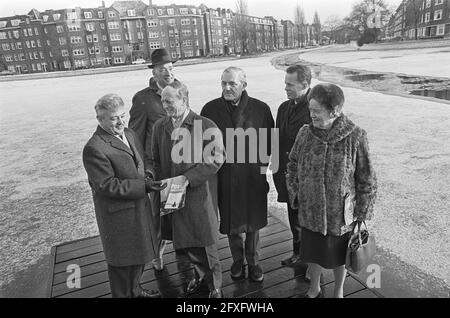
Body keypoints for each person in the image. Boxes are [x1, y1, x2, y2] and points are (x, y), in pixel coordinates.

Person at [286, 83, 377, 298]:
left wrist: (362, 213)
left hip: (341, 216)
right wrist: (296, 193)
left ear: (334, 110)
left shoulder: (356, 136)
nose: (311, 115)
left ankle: (338, 290)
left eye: (316, 111)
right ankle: (314, 286)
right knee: (313, 253)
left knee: (339, 256)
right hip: (311, 211)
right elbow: (291, 164)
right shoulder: (305, 133)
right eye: (310, 109)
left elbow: (367, 179)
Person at [82, 94, 166, 298]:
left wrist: (149, 174)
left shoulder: (130, 134)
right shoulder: (94, 147)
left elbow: (143, 161)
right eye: (113, 118)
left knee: (140, 256)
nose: (121, 122)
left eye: (123, 115)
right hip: (118, 216)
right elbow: (107, 185)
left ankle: (136, 290)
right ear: (100, 119)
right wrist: (144, 186)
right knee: (121, 265)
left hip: (138, 209)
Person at [147, 81, 225, 298]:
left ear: (184, 99)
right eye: (163, 100)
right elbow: (152, 159)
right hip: (170, 196)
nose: (165, 105)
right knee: (185, 245)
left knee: (204, 244)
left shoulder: (206, 125)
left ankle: (215, 288)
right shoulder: (159, 126)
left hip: (197, 196)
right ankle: (201, 278)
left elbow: (216, 159)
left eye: (169, 100)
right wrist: (150, 176)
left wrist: (187, 179)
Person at [201, 67, 275, 282]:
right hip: (224, 176)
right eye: (223, 83)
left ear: (244, 84)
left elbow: (271, 145)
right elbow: (203, 146)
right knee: (231, 221)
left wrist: (264, 175)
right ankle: (237, 259)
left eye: (232, 83)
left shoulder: (261, 109)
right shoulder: (210, 109)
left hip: (252, 176)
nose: (227, 87)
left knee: (253, 222)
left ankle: (253, 262)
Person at [129, 48, 177, 271]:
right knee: (158, 213)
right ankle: (157, 253)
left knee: (178, 207)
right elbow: (135, 136)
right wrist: (142, 168)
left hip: (178, 161)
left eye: (170, 67)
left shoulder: (179, 89)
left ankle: (183, 247)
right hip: (156, 165)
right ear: (154, 71)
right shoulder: (142, 99)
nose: (167, 72)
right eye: (162, 69)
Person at [273, 64, 312, 267]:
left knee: (308, 220)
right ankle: (298, 252)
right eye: (285, 83)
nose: (286, 88)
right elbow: (276, 139)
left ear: (304, 84)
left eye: (290, 84)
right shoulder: (284, 107)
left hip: (307, 178)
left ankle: (310, 259)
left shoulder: (316, 108)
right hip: (287, 175)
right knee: (293, 216)